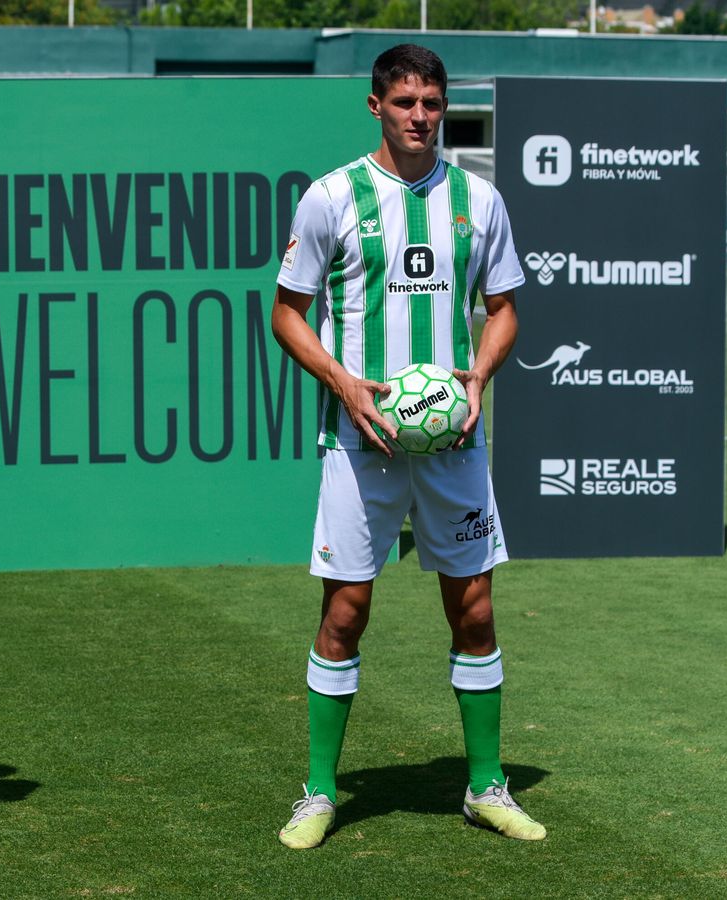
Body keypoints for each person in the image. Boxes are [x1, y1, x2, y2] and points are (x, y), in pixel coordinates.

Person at [269, 43, 545, 849]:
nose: (420, 116)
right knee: (345, 612)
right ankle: (319, 794)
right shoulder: (331, 197)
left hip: (452, 443)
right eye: (405, 102)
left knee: (476, 610)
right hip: (360, 443)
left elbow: (504, 310)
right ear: (376, 106)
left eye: (432, 103)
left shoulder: (478, 200)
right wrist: (346, 385)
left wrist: (478, 378)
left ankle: (486, 786)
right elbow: (287, 312)